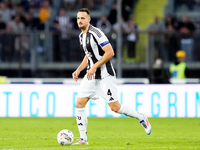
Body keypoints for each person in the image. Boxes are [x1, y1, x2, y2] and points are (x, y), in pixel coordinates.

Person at [72, 8, 152, 145]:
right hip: (91, 75)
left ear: (89, 19)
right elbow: (89, 54)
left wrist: (95, 66)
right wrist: (79, 69)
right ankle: (83, 139)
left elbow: (110, 52)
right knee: (79, 103)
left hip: (104, 75)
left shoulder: (97, 33)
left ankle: (141, 117)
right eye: (78, 18)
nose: (80, 21)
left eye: (83, 18)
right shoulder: (81, 36)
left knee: (115, 107)